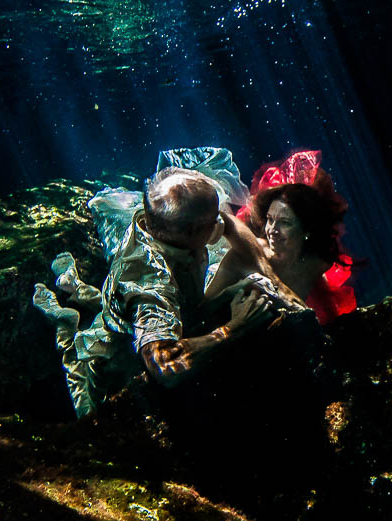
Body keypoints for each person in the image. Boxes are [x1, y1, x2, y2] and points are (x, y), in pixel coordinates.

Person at [33, 165, 275, 415]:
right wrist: (236, 327)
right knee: (87, 410)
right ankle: (65, 327)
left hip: (128, 309)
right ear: (190, 232)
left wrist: (243, 286)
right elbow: (165, 366)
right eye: (213, 220)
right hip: (119, 368)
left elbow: (184, 302)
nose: (221, 222)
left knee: (119, 315)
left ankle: (78, 289)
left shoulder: (159, 218)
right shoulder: (152, 288)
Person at [203, 153, 357, 325]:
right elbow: (203, 311)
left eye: (285, 222)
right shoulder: (242, 258)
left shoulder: (317, 264)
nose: (272, 230)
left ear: (307, 229)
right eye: (269, 219)